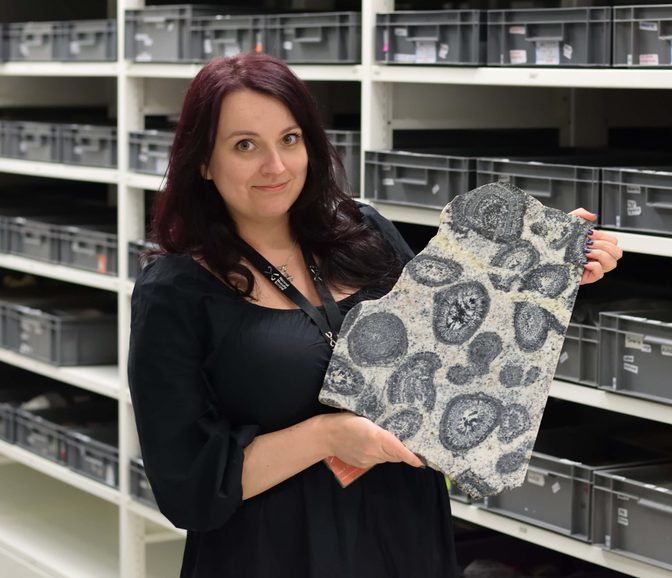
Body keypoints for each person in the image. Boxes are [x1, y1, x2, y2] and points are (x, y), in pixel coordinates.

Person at [128, 52, 622, 578]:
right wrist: (328, 437)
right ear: (202, 161)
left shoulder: (362, 234)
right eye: (245, 145)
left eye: (289, 139)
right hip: (277, 552)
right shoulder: (175, 292)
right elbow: (186, 487)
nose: (275, 166)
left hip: (404, 534)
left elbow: (447, 349)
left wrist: (539, 272)